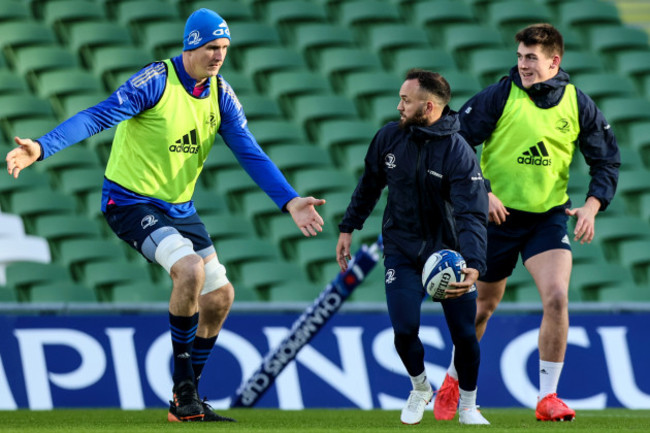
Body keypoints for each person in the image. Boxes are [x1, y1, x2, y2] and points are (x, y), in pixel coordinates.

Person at [6, 8, 326, 422]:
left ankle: (184, 399)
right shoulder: (156, 80)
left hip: (180, 208)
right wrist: (42, 146)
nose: (219, 56)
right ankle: (185, 387)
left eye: (225, 49)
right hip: (130, 201)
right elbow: (97, 116)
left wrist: (289, 200)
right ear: (191, 45)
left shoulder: (220, 94)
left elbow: (249, 149)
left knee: (220, 297)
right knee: (189, 270)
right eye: (212, 47)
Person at [434, 23, 620, 422]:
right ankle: (453, 380)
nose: (523, 65)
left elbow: (605, 159)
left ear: (554, 61)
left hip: (548, 219)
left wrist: (591, 206)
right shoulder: (500, 95)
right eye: (520, 57)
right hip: (496, 219)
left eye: (531, 58)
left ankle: (547, 397)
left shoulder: (578, 104)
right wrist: (481, 190)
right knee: (482, 309)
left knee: (556, 296)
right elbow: (455, 143)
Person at [336, 69, 490, 425]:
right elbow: (369, 185)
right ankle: (420, 387)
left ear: (429, 106)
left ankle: (468, 404)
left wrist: (475, 264)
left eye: (406, 100)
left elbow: (471, 214)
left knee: (465, 334)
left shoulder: (459, 152)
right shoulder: (389, 137)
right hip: (401, 249)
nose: (398, 106)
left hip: (449, 253)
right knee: (405, 329)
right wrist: (348, 227)